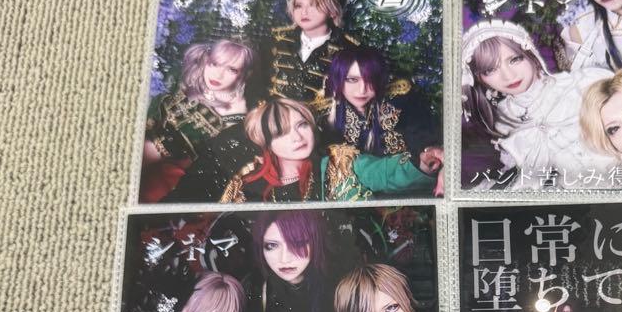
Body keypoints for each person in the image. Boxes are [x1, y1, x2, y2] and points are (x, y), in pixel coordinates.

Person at [169, 98, 436, 203]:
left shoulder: (340, 162)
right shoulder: (246, 183)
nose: (297, 137)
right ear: (266, 142)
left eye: (301, 125)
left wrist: (421, 164)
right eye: (282, 132)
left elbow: (384, 172)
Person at [461, 19, 614, 189]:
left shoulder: (583, 83)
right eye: (490, 70)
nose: (508, 76)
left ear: (530, 54)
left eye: (514, 59)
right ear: (479, 78)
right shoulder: (502, 121)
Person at [141, 38, 256, 202]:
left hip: (169, 176)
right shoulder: (188, 74)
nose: (218, 75)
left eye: (231, 69)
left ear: (245, 74)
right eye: (214, 64)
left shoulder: (237, 116)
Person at [323, 46, 443, 198]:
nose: (362, 90)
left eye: (370, 80)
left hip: (407, 192)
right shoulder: (327, 116)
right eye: (352, 80)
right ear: (338, 80)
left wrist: (429, 153)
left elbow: (422, 136)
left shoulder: (402, 102)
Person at [251, 0, 360, 110]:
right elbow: (256, 87)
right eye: (298, 6)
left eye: (314, 5)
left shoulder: (349, 51)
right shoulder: (275, 42)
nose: (304, 12)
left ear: (332, 11)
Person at [252, 210, 340, 312]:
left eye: (297, 244)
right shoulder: (255, 290)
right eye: (272, 246)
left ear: (315, 242)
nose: (284, 259)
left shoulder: (337, 289)